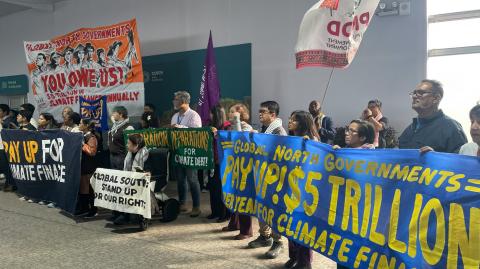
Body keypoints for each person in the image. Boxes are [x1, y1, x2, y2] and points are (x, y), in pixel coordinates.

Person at [333, 119, 375, 269]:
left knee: (357, 251)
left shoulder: (372, 157)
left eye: (352, 131)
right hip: (342, 210)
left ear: (363, 137)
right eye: (347, 129)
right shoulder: (343, 151)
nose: (347, 133)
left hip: (360, 213)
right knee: (342, 249)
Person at [248, 101, 286, 259]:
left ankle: (278, 241)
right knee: (262, 208)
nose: (260, 114)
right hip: (261, 175)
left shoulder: (279, 132)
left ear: (273, 114)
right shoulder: (264, 129)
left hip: (274, 178)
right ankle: (265, 236)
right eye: (259, 111)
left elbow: (281, 156)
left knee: (273, 210)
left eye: (263, 111)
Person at [285, 110, 320, 269]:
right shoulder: (290, 139)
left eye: (294, 120)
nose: (290, 122)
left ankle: (304, 262)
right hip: (290, 188)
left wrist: (309, 146)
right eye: (290, 119)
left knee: (302, 226)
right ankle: (293, 256)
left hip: (305, 192)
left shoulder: (312, 140)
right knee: (289, 225)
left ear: (304, 123)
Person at [399, 79, 467, 153]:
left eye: (421, 93)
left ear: (436, 98)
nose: (415, 96)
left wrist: (436, 157)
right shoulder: (409, 130)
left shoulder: (451, 128)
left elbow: (461, 161)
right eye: (414, 93)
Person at [221, 103, 253, 240]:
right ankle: (235, 223)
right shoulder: (231, 127)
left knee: (243, 198)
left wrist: (237, 121)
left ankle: (246, 230)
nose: (229, 114)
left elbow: (241, 140)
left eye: (232, 112)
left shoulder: (246, 128)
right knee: (234, 196)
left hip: (244, 169)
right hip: (234, 167)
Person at [170, 91, 202, 217]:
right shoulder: (174, 116)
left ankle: (196, 206)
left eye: (176, 99)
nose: (174, 101)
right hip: (178, 152)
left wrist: (180, 128)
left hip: (190, 153)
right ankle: (182, 204)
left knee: (192, 180)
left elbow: (197, 134)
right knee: (180, 180)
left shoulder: (194, 115)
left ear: (183, 101)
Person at [113, 133, 151, 225]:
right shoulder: (130, 154)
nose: (127, 145)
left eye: (129, 143)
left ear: (136, 145)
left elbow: (149, 172)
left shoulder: (146, 155)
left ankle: (128, 215)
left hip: (142, 184)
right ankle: (121, 213)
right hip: (130, 181)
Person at [207, 104, 231, 222]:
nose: (209, 115)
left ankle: (224, 214)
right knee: (213, 188)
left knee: (222, 189)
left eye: (211, 113)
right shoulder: (211, 126)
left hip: (223, 163)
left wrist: (217, 135)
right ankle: (215, 211)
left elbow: (228, 143)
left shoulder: (227, 127)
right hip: (212, 162)